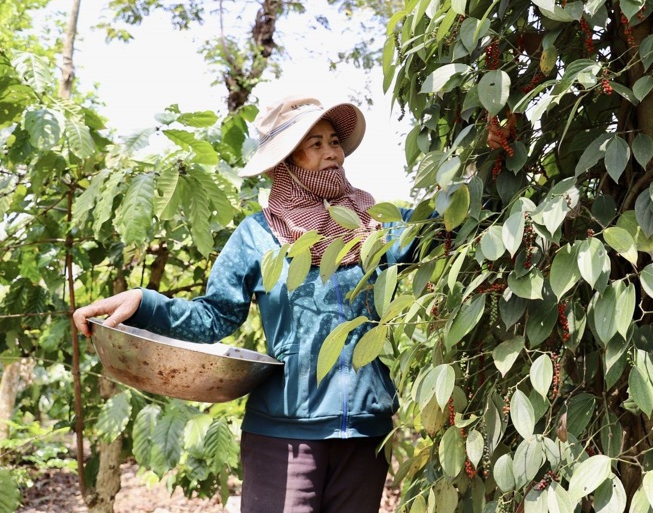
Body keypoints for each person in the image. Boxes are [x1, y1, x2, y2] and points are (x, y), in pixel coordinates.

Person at [73, 95, 419, 513]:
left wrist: (490, 164)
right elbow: (213, 316)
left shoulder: (378, 224)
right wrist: (145, 303)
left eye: (334, 141)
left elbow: (446, 224)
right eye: (315, 144)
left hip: (367, 434)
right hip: (284, 435)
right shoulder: (259, 235)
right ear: (287, 161)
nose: (332, 152)